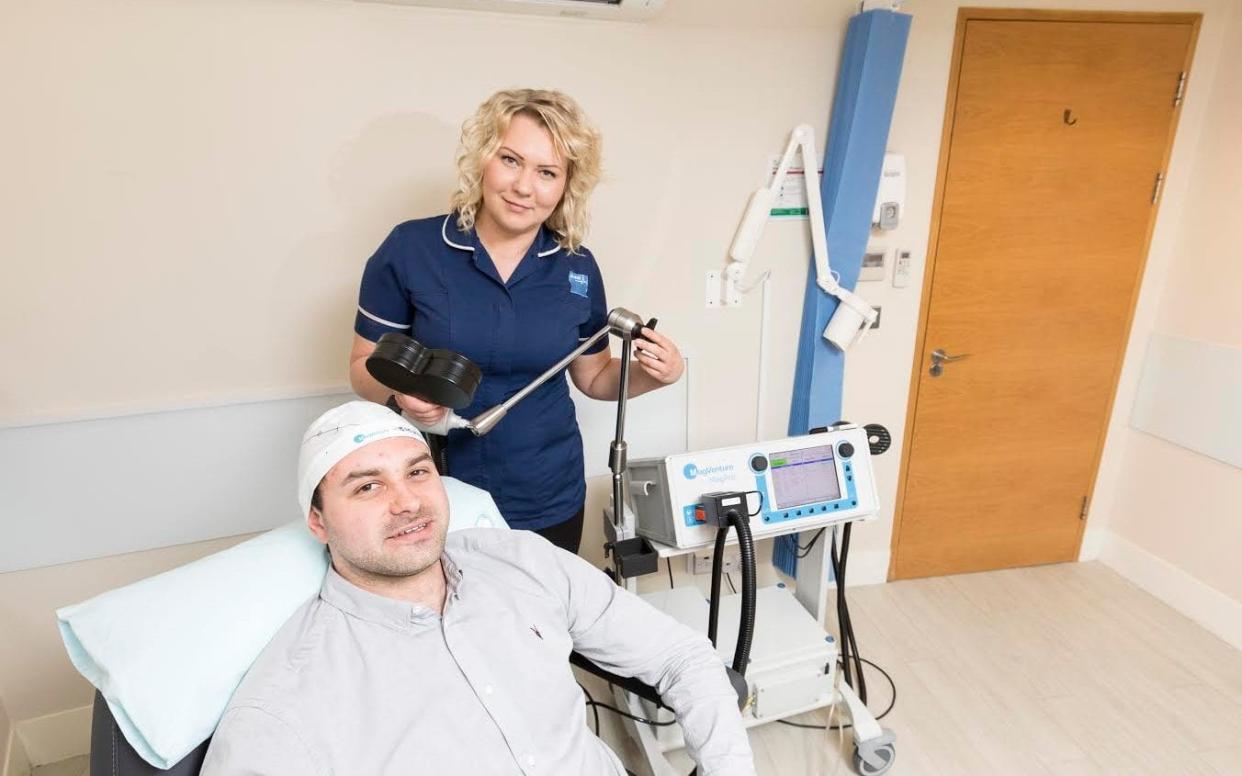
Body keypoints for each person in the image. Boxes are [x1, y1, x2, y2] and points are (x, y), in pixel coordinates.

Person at [200, 401, 755, 776]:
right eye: (367, 486)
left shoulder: (522, 561)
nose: (408, 502)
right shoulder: (286, 709)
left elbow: (683, 658)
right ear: (318, 522)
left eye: (417, 473)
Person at [347, 88, 684, 554]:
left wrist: (653, 374)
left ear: (566, 185)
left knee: (541, 622)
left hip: (548, 492)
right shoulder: (410, 250)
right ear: (483, 158)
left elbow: (595, 377)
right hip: (434, 493)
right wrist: (400, 393)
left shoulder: (576, 268)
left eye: (547, 172)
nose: (524, 187)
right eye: (510, 160)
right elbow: (363, 367)